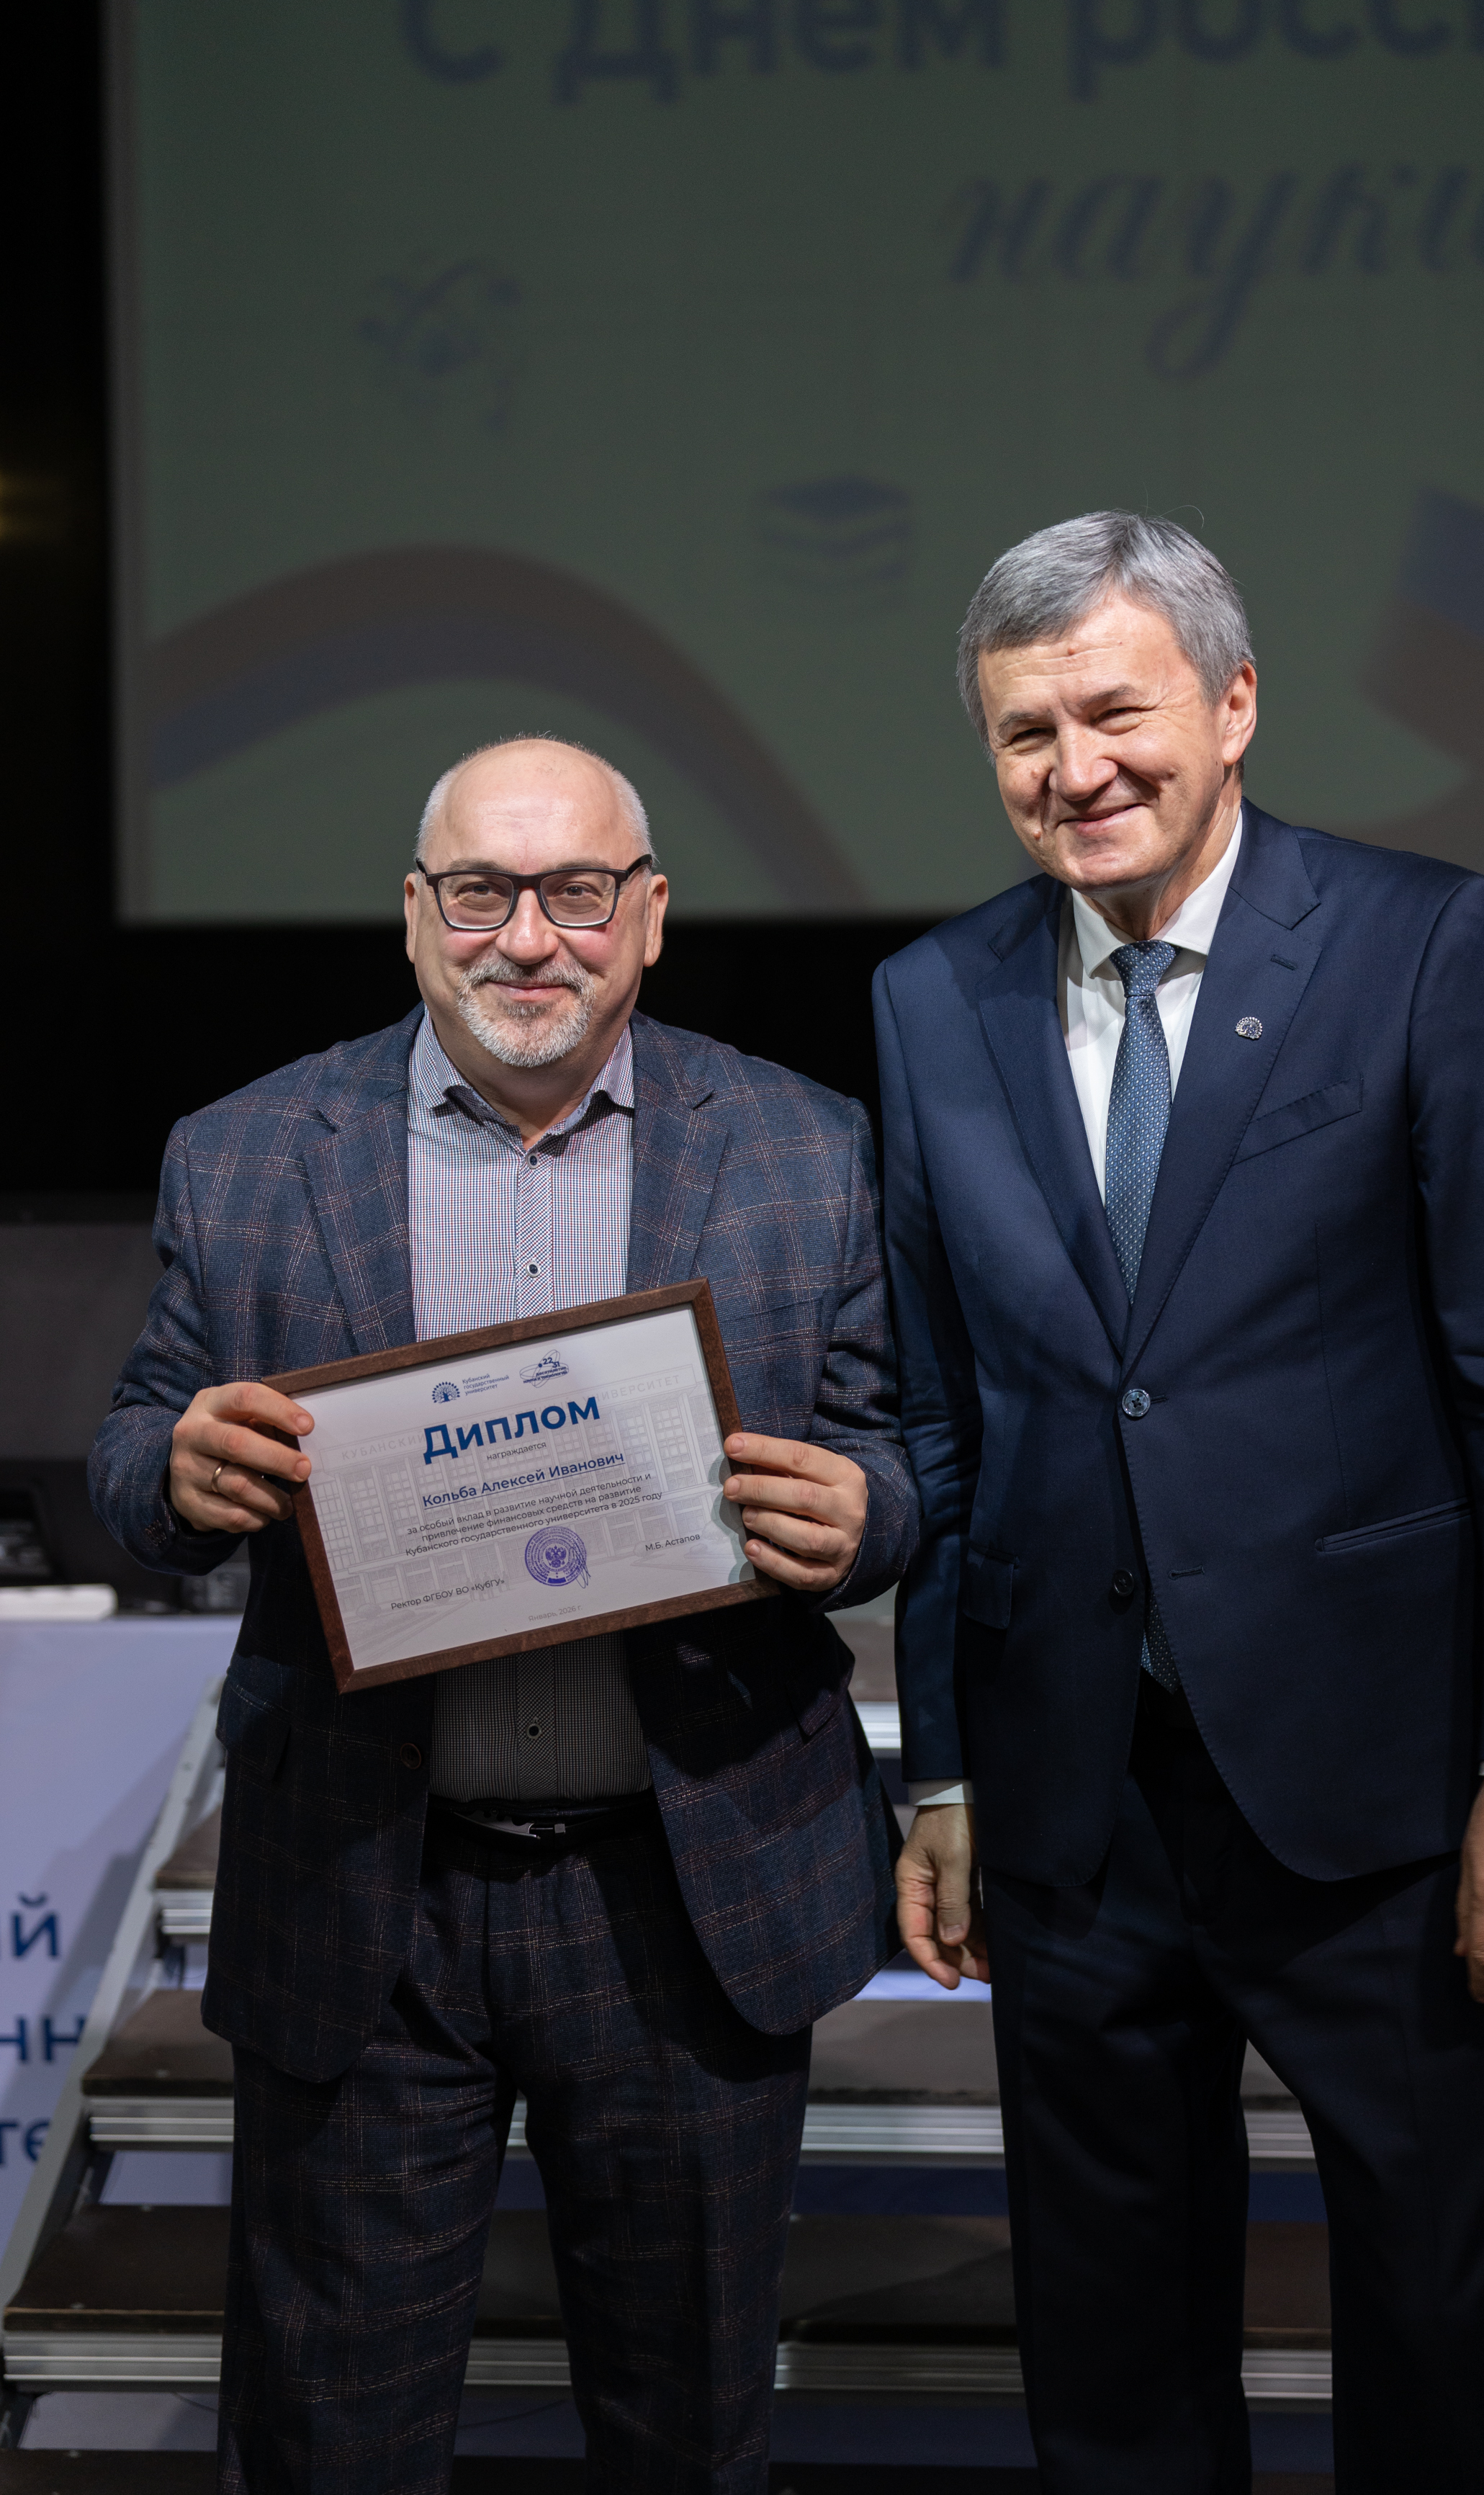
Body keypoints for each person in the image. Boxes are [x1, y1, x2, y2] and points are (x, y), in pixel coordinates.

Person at [873, 514, 1484, 2494]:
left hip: (1377, 1793)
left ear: (1230, 705)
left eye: (1112, 711)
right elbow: (945, 1417)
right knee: (1110, 2360)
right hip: (1069, 1800)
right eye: (1024, 732)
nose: (1074, 767)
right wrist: (943, 1768)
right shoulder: (929, 1000)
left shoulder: (1426, 944)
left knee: (1439, 2336)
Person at [91, 735, 917, 2495]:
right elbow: (136, 1434)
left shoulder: (806, 1147)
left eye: (577, 893)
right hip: (370, 1893)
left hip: (684, 1891)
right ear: (415, 914)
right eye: (481, 891)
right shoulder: (245, 1154)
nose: (527, 938)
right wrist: (173, 1465)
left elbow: (898, 1454)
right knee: (332, 2439)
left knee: (689, 2434)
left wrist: (871, 1516)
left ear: (652, 916)